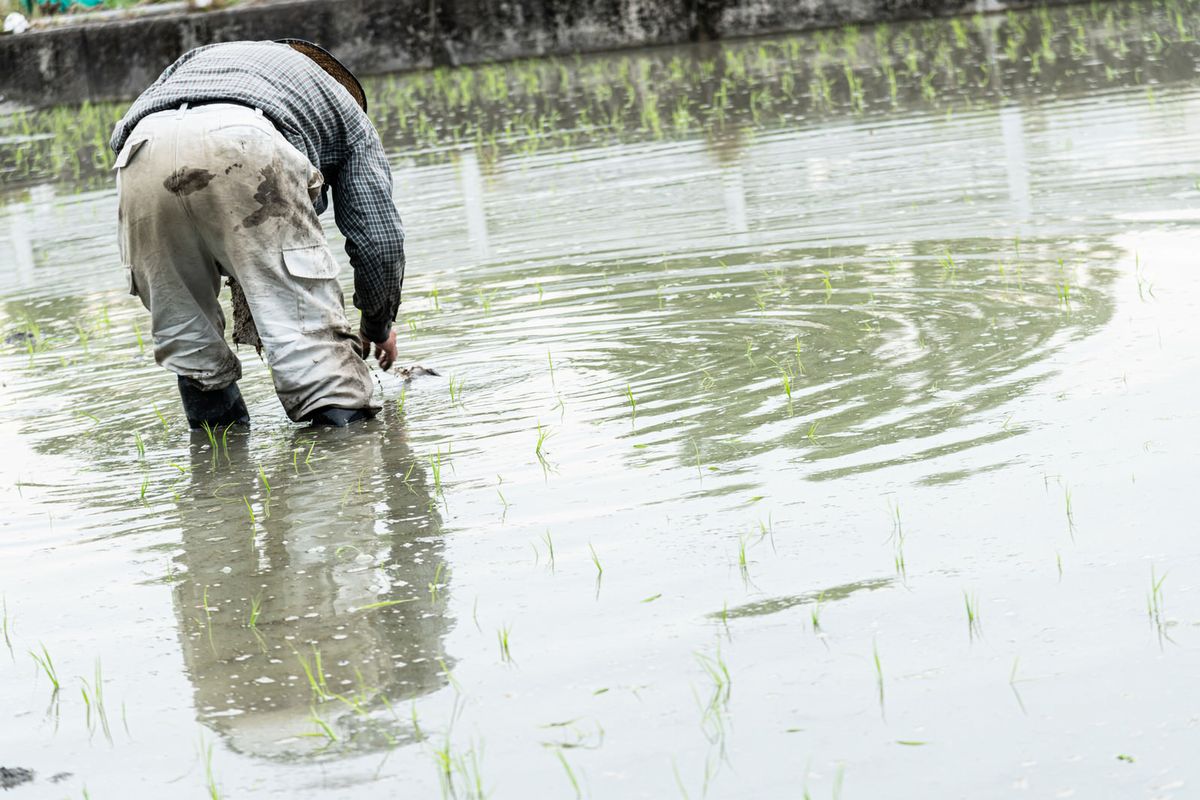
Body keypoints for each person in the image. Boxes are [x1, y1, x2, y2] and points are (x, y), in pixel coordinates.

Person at [110, 40, 404, 428]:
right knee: (317, 362)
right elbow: (379, 240)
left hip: (139, 150)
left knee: (191, 342)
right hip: (247, 141)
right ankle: (341, 473)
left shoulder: (203, 59)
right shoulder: (346, 113)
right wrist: (377, 325)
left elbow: (128, 138)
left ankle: (220, 473)